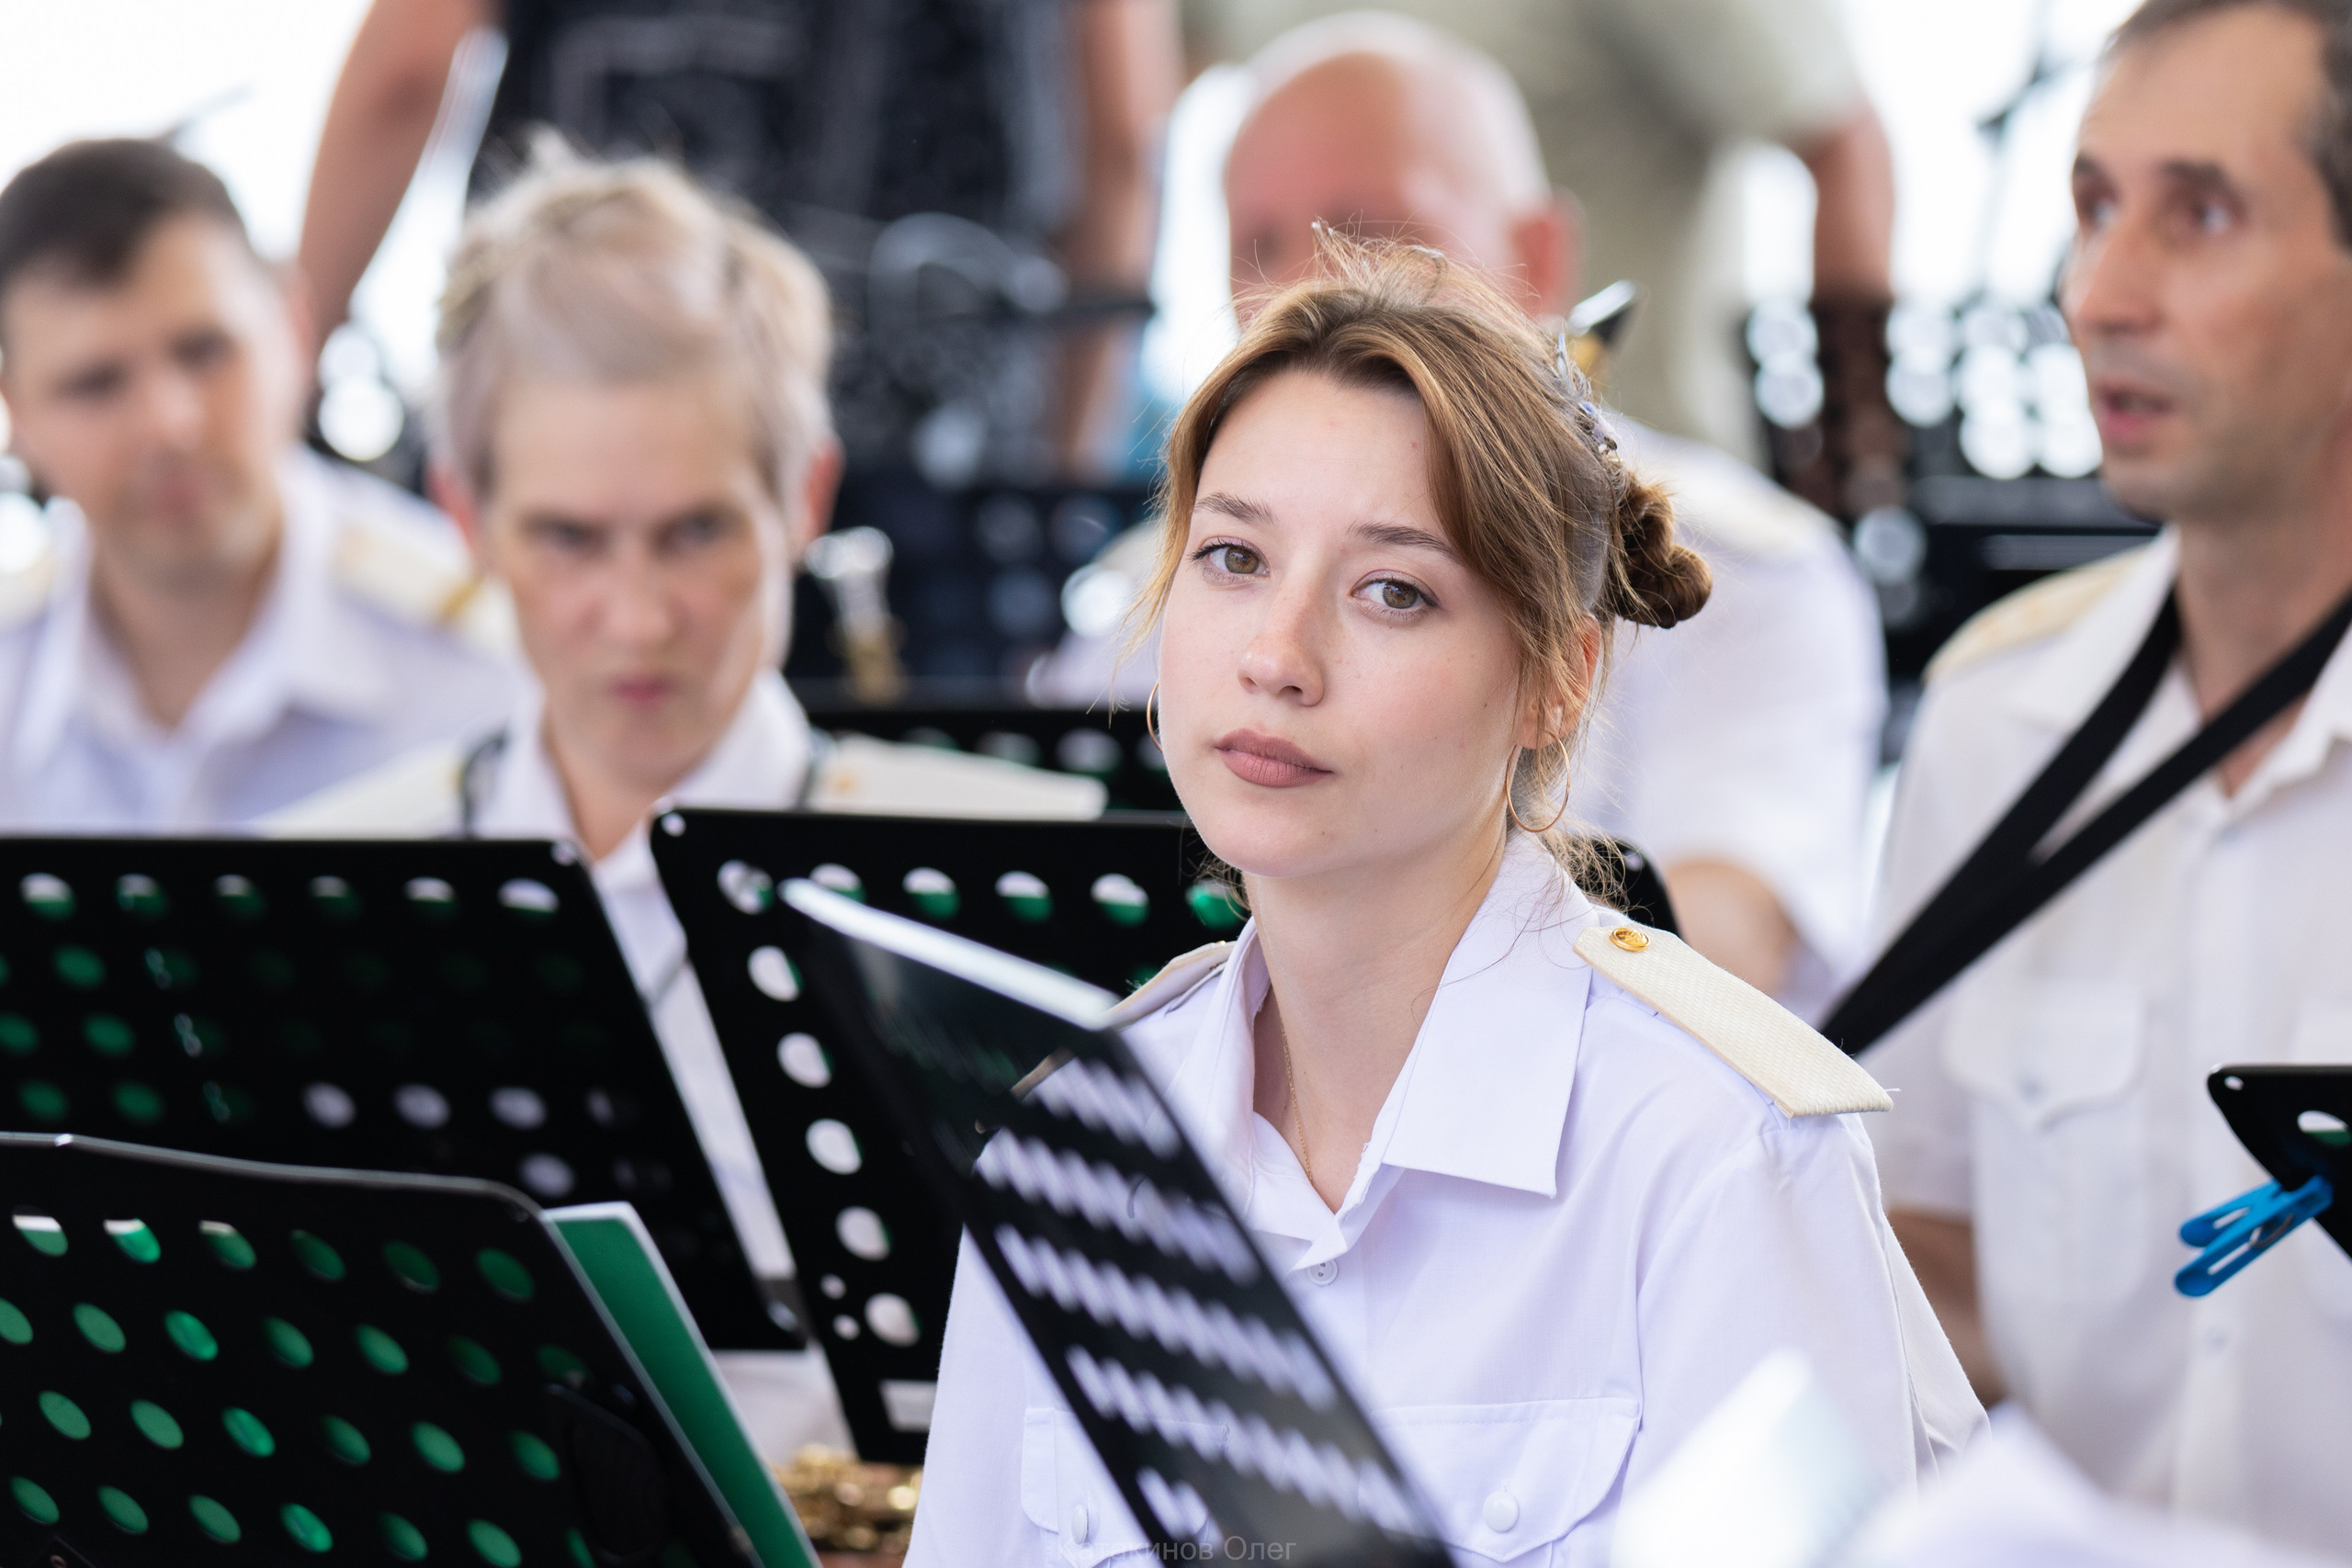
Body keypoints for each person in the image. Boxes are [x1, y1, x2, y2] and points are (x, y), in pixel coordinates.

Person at [910, 235, 1980, 1565]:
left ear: (1559, 677)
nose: (1277, 657)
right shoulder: (1072, 1144)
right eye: (1234, 557)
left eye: (1392, 590)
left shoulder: (1717, 1150)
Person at [270, 153, 1103, 1458]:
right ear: (463, 516)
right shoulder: (308, 881)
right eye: (568, 539)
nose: (641, 616)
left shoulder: (1021, 875)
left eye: (697, 532)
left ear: (805, 496)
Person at [1038, 15, 1885, 1017]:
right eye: (1257, 245)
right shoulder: (1172, 565)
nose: (1307, 293)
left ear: (1538, 253)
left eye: (1371, 236)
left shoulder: (1743, 574)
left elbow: (1725, 959)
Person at [1862, 1, 2352, 1552]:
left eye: (2198, 213)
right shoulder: (1998, 719)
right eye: (2090, 209)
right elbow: (1924, 1250)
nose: (2101, 294)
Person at [297, 0, 1179, 479]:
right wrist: (1061, 472)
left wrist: (295, 356)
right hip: (934, 441)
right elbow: (1123, 145)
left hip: (588, 411)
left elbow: (406, 71)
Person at [0, 139, 516, 829]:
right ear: (16, 415)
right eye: (95, 384)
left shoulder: (494, 664)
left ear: (295, 329)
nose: (168, 424)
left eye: (205, 350)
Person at [1187, 0, 1894, 471]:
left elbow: (1844, 149)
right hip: (1331, 489)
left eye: (1366, 236)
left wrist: (1859, 469)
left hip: (1628, 489)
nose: (1302, 289)